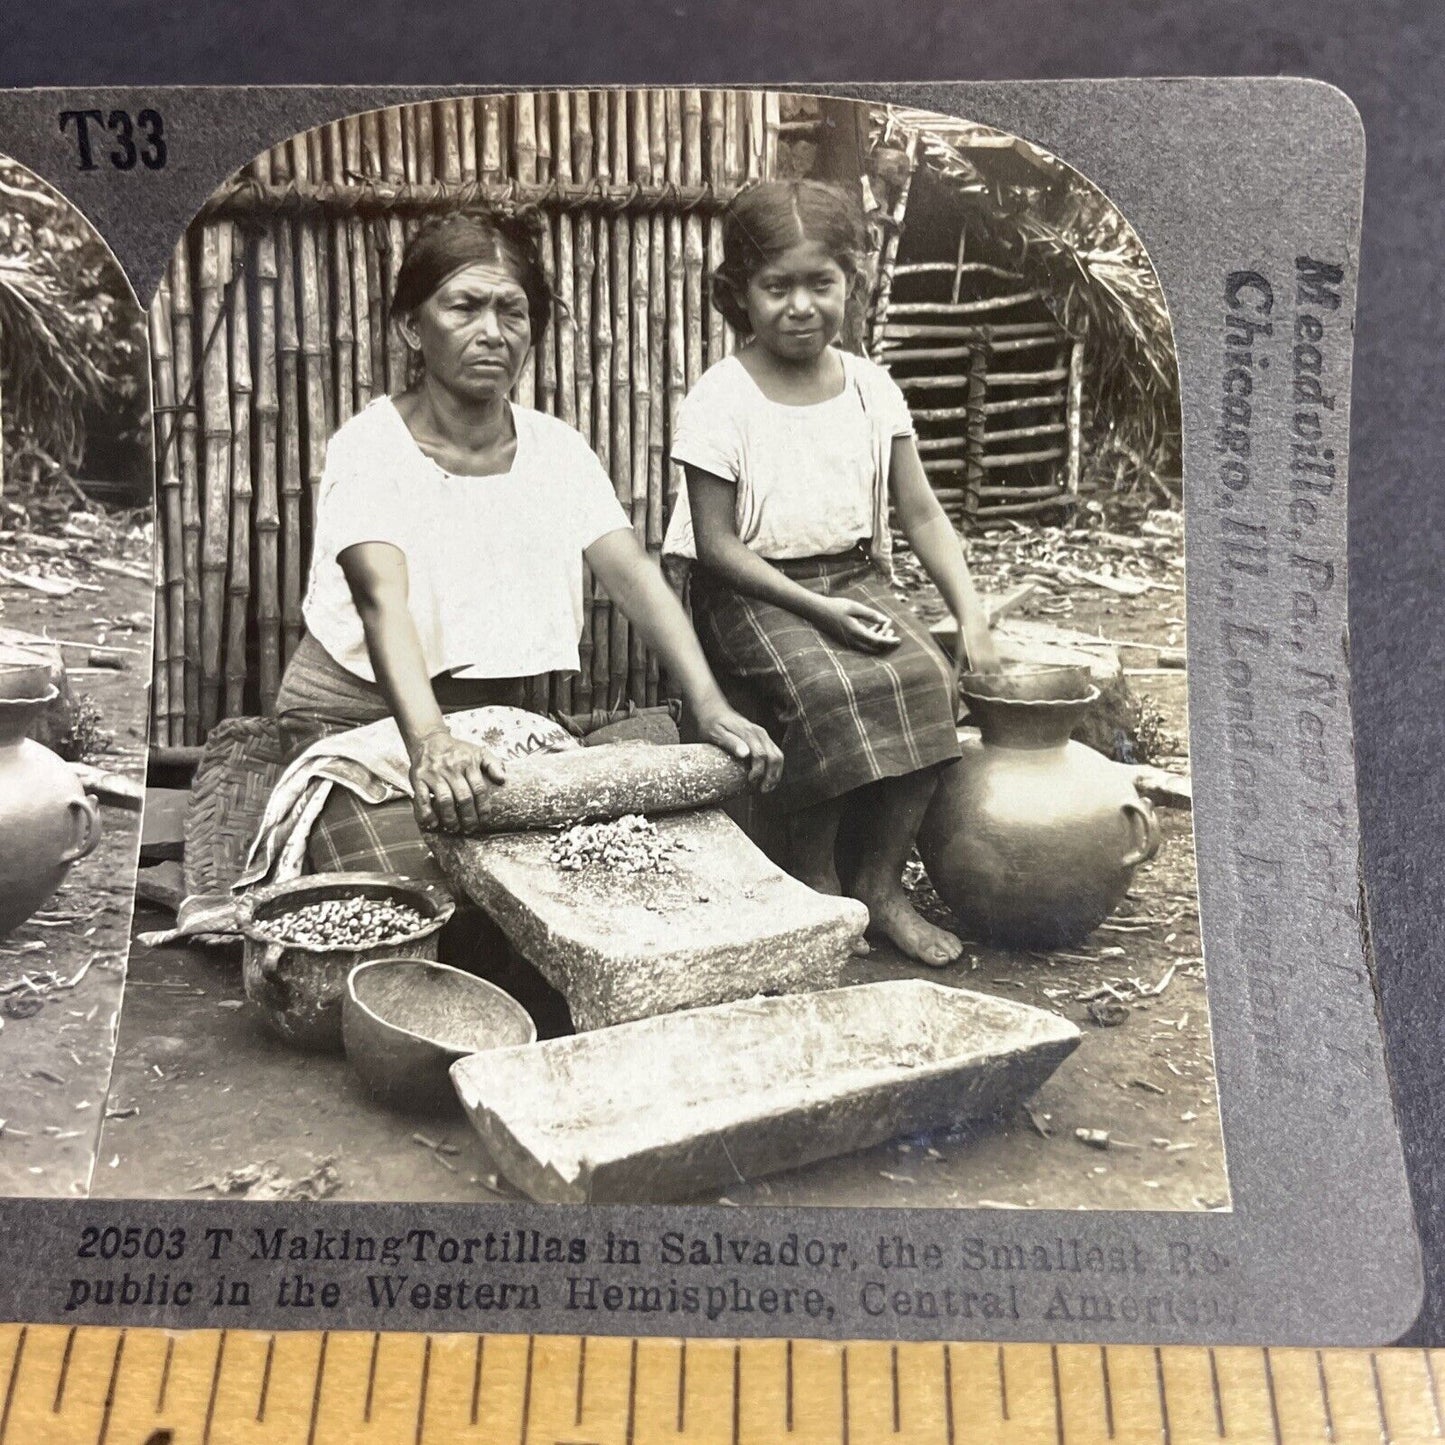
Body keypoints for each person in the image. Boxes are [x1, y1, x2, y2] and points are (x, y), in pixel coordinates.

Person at [272, 206, 781, 882]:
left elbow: (635, 579)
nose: (490, 333)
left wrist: (712, 707)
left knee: (595, 871)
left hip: (494, 724)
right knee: (425, 885)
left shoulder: (557, 452)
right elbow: (379, 602)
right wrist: (430, 743)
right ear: (410, 327)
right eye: (464, 307)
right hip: (358, 717)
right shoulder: (370, 448)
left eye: (511, 313)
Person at [662, 180, 1000, 966]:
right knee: (827, 689)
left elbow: (919, 514)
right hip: (749, 587)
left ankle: (879, 883)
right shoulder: (721, 399)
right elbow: (713, 545)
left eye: (821, 283)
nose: (800, 306)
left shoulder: (870, 389)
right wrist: (816, 609)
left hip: (850, 577)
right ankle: (813, 879)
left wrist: (971, 616)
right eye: (775, 286)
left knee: (924, 678)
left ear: (853, 282)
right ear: (736, 294)